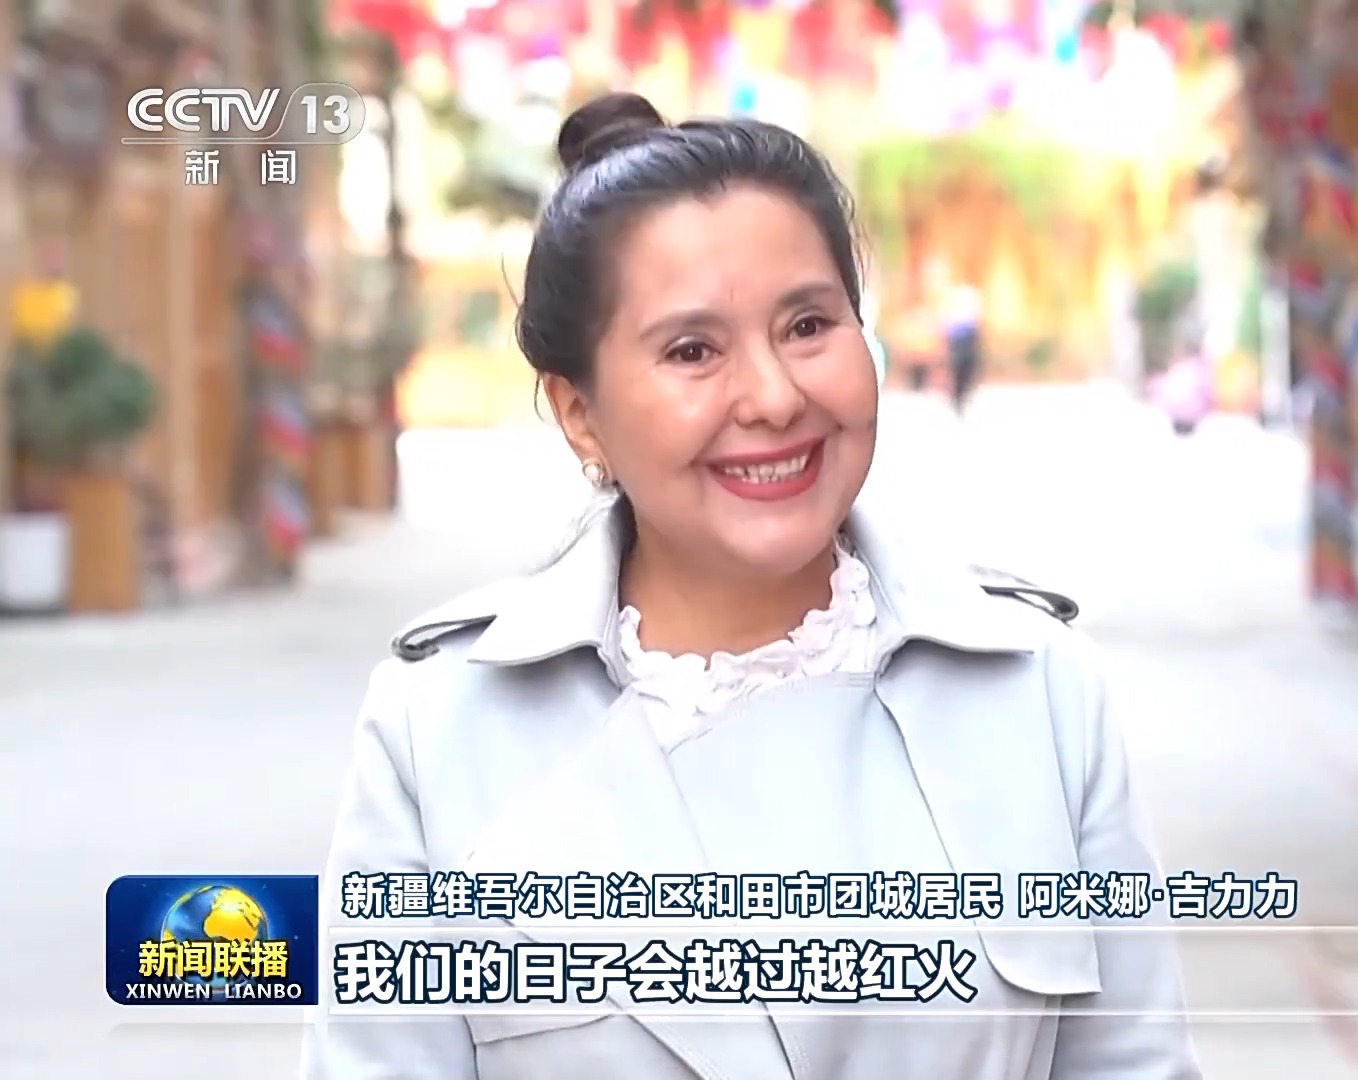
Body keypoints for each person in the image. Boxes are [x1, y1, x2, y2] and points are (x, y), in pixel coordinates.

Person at [301, 92, 1201, 1080]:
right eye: (693, 351)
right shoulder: (438, 727)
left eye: (808, 325)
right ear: (579, 413)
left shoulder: (1039, 688)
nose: (774, 398)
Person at [943, 281, 984, 413]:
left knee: (965, 372)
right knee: (960, 372)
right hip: (959, 342)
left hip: (966, 341)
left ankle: (960, 397)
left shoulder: (970, 299)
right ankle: (958, 398)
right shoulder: (954, 300)